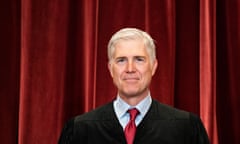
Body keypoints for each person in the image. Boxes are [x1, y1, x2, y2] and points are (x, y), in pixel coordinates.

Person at [58, 28, 210, 144]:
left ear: (154, 66)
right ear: (111, 68)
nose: (130, 69)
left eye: (139, 59)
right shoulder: (79, 130)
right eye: (121, 60)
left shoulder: (186, 128)